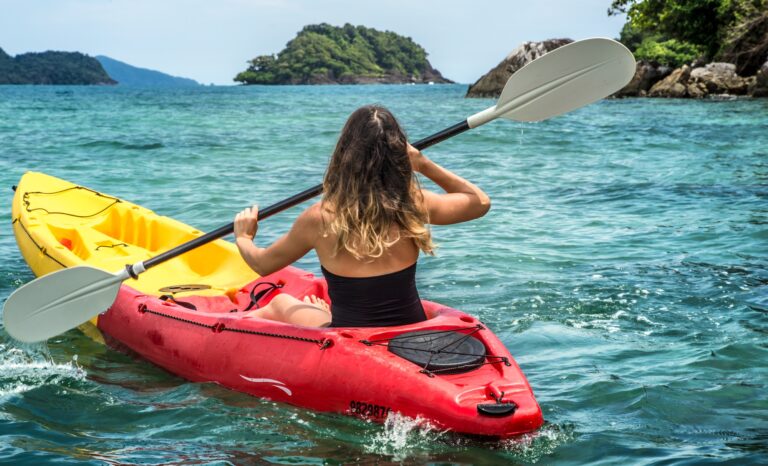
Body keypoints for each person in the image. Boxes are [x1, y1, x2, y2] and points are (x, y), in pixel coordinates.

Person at [234, 105, 490, 327]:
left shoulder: (319, 218)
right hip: (410, 329)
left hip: (349, 336)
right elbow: (479, 202)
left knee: (280, 302)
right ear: (399, 156)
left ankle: (231, 327)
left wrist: (244, 237)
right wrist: (423, 164)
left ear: (344, 155)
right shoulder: (412, 204)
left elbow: (262, 264)